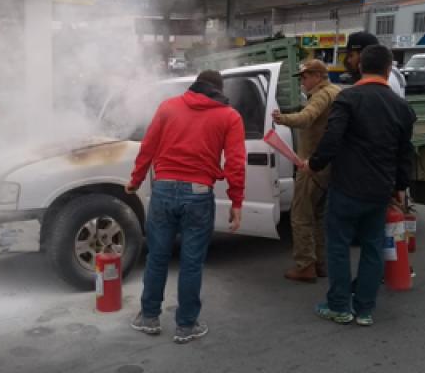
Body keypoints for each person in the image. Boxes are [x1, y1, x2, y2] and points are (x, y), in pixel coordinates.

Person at [126, 70, 246, 343]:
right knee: (192, 263)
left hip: (164, 189)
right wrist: (236, 201)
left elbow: (148, 148)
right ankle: (186, 325)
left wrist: (135, 181)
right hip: (199, 194)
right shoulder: (229, 116)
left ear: (195, 86)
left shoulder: (168, 107)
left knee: (157, 257)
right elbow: (236, 163)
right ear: (219, 89)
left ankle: (148, 317)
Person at [301, 44, 416, 326]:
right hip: (380, 190)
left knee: (338, 246)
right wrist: (399, 186)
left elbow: (331, 139)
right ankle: (365, 309)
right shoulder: (402, 108)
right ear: (389, 70)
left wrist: (313, 164)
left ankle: (339, 305)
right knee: (373, 246)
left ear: (361, 67)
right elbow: (405, 153)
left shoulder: (349, 98)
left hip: (346, 188)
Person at [271, 59, 341, 282]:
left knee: (301, 216)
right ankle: (321, 264)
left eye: (305, 77)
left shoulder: (321, 95)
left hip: (311, 165)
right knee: (319, 216)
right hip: (328, 165)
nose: (302, 82)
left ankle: (305, 266)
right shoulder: (336, 91)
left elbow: (306, 117)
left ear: (318, 76)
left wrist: (282, 119)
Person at [343, 31, 406, 98]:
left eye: (351, 55)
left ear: (364, 55)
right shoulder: (381, 77)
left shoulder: (385, 82)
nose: (348, 60)